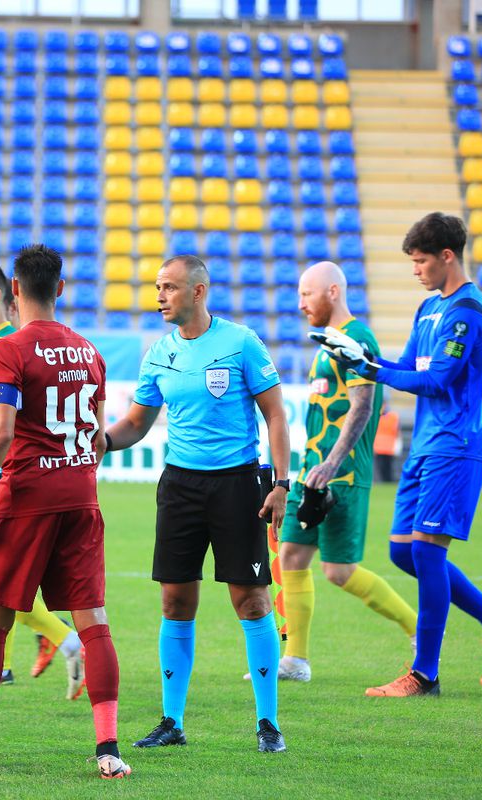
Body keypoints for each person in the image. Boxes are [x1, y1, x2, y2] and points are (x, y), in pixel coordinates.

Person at [0, 244, 131, 780]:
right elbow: (94, 429)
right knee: (94, 619)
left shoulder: (10, 348)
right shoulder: (90, 351)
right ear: (60, 289)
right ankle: (109, 750)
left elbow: (0, 433)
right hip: (82, 495)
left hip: (26, 497)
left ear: (14, 291)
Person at [314, 213, 482, 697]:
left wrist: (370, 369)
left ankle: (425, 674)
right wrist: (354, 356)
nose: (415, 270)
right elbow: (404, 367)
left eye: (421, 261)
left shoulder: (469, 311)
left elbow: (436, 381)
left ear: (447, 256)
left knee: (428, 554)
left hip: (455, 447)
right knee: (403, 552)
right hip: (426, 447)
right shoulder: (429, 309)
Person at [104, 254, 289, 754]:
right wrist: (97, 442)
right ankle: (172, 721)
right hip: (180, 487)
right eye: (158, 287)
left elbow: (275, 415)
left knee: (250, 600)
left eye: (169, 287)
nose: (159, 296)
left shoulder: (241, 342)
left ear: (198, 291)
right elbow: (137, 424)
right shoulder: (159, 353)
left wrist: (281, 483)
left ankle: (268, 723)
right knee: (175, 601)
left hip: (237, 486)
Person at [270, 261, 417, 683]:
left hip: (343, 474)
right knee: (291, 554)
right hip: (309, 472)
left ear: (333, 292)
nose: (300, 304)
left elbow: (364, 406)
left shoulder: (358, 339)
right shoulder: (326, 343)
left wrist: (332, 463)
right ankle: (295, 661)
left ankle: (419, 630)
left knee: (338, 571)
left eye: (306, 294)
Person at [0, 258, 83, 690]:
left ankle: (59, 639)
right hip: (4, 471)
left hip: (7, 475)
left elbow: (3, 428)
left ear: (3, 293)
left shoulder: (10, 345)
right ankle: (45, 643)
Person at [373, 401, 400, 483]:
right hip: (378, 446)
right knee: (380, 466)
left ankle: (388, 481)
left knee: (388, 466)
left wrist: (397, 445)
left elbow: (397, 432)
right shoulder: (377, 417)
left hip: (389, 446)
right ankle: (383, 481)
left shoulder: (393, 417)